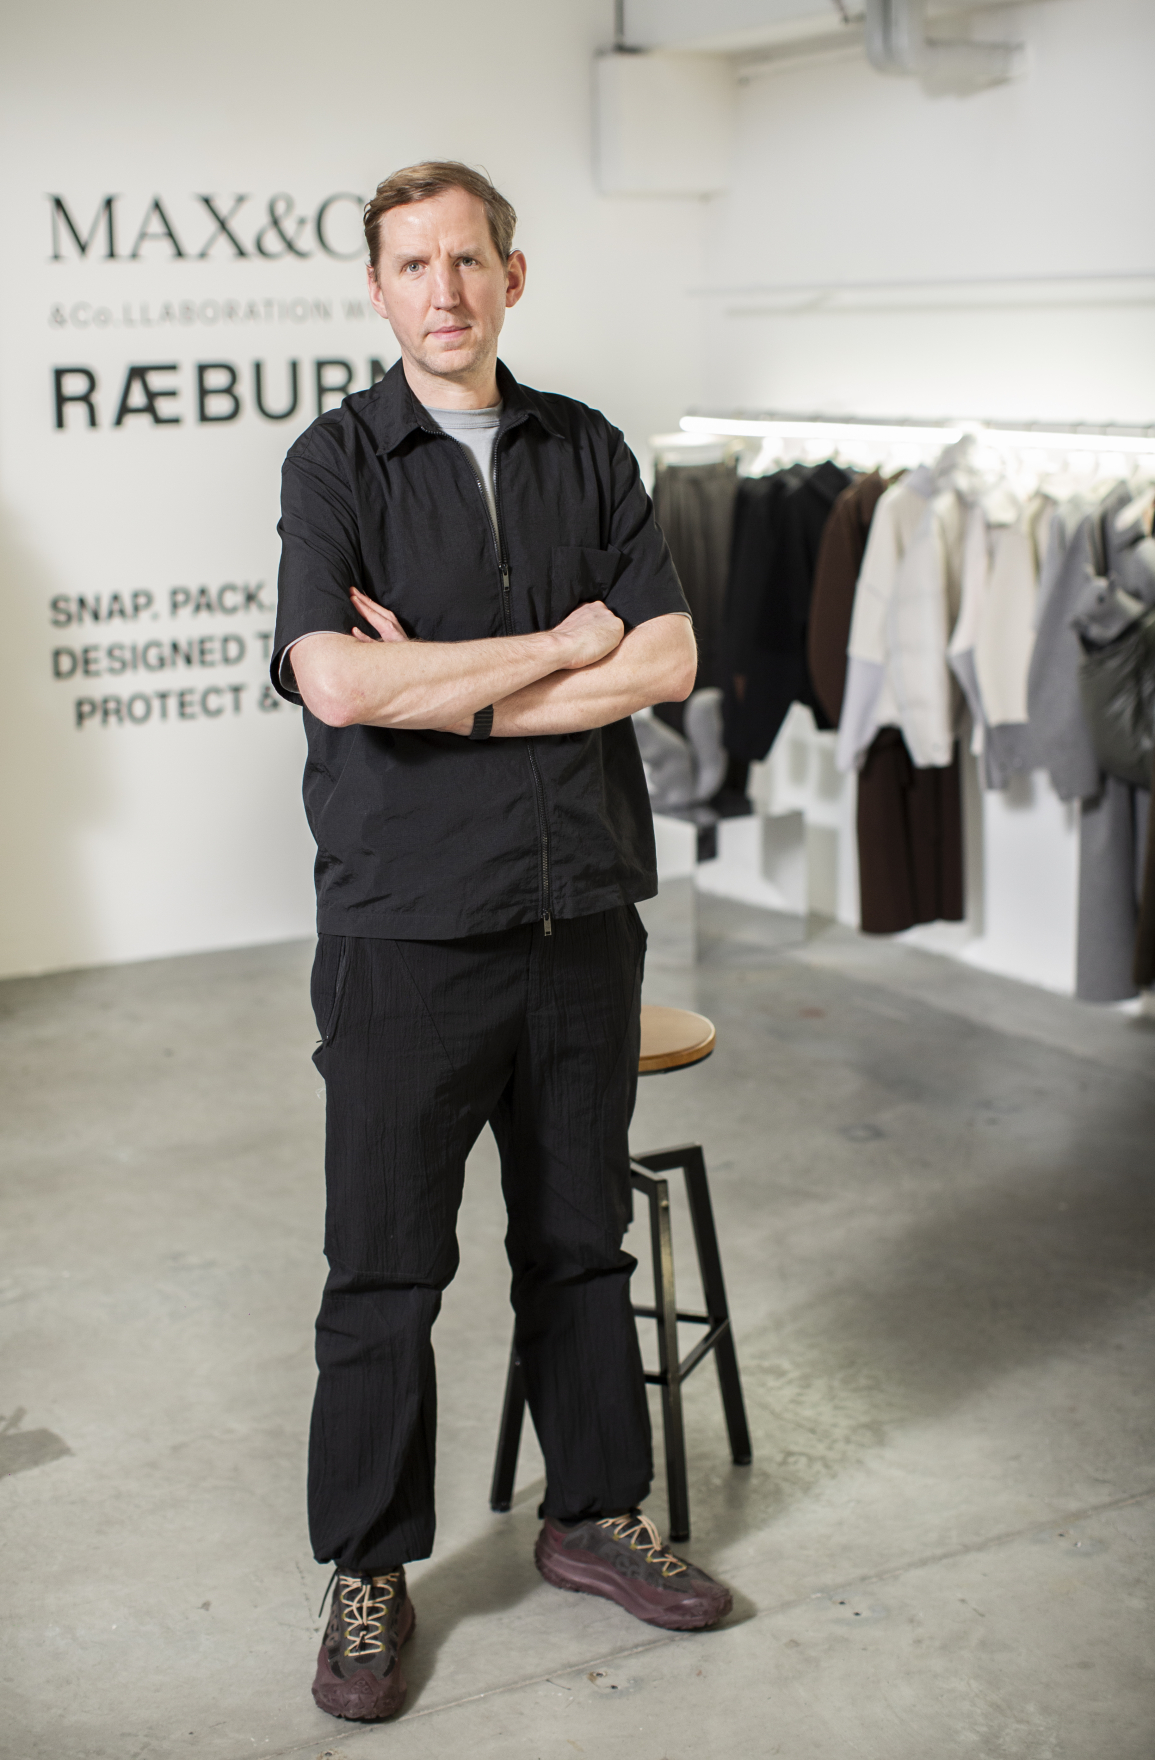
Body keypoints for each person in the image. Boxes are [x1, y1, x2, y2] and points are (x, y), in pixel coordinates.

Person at [272, 160, 733, 1726]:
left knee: (579, 1241)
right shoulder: (336, 461)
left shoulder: (586, 447)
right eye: (412, 265)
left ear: (511, 277)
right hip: (406, 931)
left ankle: (591, 1513)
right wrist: (553, 649)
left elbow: (663, 658)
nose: (444, 290)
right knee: (385, 1269)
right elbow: (339, 683)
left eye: (468, 259)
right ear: (379, 290)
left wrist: (454, 690)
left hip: (580, 911)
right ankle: (369, 1568)